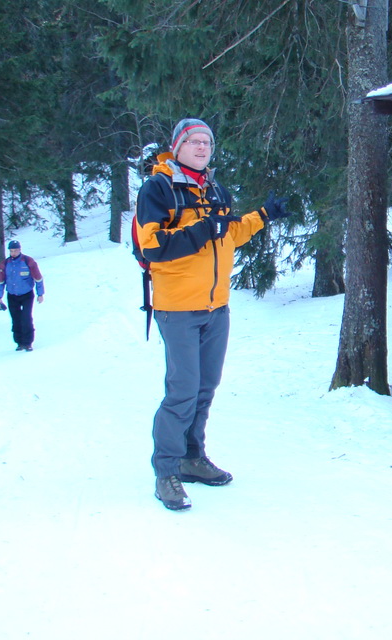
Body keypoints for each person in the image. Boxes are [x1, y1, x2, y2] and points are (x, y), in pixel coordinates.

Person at [135, 118, 290, 511]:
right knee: (183, 390)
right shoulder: (159, 187)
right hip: (177, 307)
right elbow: (151, 245)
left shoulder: (214, 188)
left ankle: (192, 457)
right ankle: (166, 470)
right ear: (178, 146)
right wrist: (206, 228)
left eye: (208, 142)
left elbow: (229, 232)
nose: (203, 147)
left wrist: (263, 215)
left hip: (215, 307)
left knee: (206, 387)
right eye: (194, 141)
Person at [0, 240, 45, 351]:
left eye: (15, 250)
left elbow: (38, 278)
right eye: (11, 251)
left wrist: (40, 294)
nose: (13, 253)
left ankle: (28, 343)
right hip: (12, 295)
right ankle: (19, 342)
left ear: (20, 250)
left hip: (27, 294)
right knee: (16, 319)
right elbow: (0, 281)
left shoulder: (28, 261)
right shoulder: (5, 264)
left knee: (26, 318)